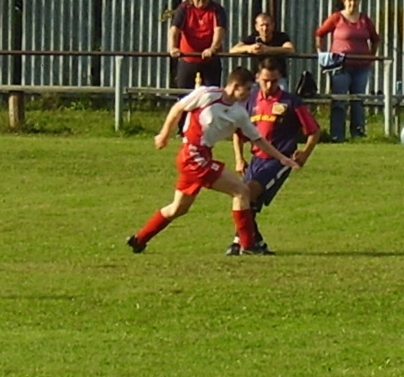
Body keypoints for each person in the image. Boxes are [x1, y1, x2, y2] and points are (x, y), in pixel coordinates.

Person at [126, 66, 300, 255]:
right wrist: (164, 134)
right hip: (192, 154)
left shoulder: (239, 113)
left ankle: (140, 239)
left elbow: (258, 139)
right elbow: (178, 108)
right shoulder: (207, 94)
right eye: (248, 89)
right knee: (241, 191)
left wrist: (282, 158)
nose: (250, 93)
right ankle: (249, 245)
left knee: (178, 208)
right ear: (235, 86)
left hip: (202, 156)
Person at [226, 58, 320, 255]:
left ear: (280, 80)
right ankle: (253, 242)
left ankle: (240, 241)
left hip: (279, 160)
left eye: (274, 81)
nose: (269, 85)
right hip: (255, 159)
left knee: (248, 192)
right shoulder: (250, 101)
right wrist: (239, 158)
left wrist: (305, 153)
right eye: (265, 80)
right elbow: (238, 131)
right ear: (258, 78)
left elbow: (314, 130)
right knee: (244, 199)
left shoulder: (290, 102)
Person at [314, 0, 381, 143]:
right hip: (340, 66)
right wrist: (321, 53)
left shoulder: (365, 20)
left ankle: (358, 133)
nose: (353, 3)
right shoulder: (337, 18)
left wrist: (371, 57)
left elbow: (375, 38)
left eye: (356, 0)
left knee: (358, 100)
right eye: (350, 0)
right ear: (344, 2)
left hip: (361, 66)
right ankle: (337, 135)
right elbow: (320, 33)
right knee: (339, 100)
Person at [168, 0, 226, 88]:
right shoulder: (184, 8)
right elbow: (174, 30)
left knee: (211, 94)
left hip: (210, 59)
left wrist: (212, 49)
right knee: (183, 95)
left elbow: (219, 31)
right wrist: (172, 48)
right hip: (188, 58)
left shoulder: (217, 10)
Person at [230, 13, 295, 90]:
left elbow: (291, 49)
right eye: (262, 25)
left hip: (278, 78)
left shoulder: (281, 36)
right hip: (259, 78)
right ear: (256, 27)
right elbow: (233, 50)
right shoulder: (254, 38)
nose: (265, 28)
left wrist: (267, 50)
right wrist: (249, 48)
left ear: (273, 26)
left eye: (267, 25)